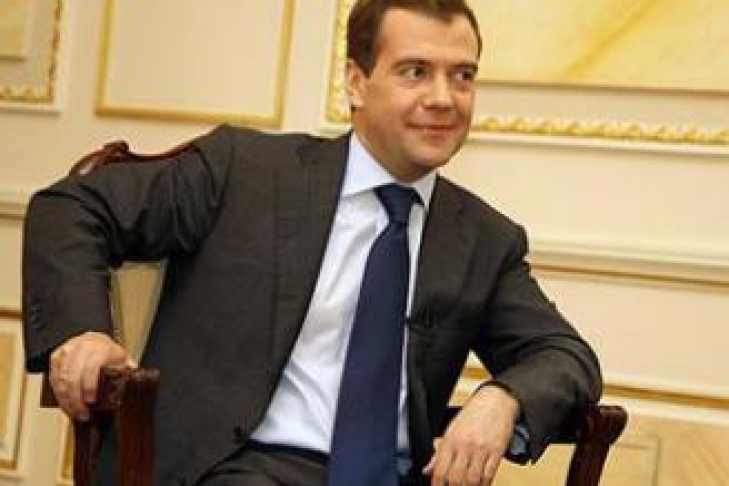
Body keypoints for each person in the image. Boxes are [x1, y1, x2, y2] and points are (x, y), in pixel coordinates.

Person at [23, 0, 601, 485]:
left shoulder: (483, 239)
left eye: (463, 76)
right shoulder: (246, 172)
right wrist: (84, 332)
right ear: (356, 81)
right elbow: (73, 208)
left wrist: (503, 399)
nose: (444, 97)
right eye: (415, 71)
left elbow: (565, 356)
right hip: (232, 469)